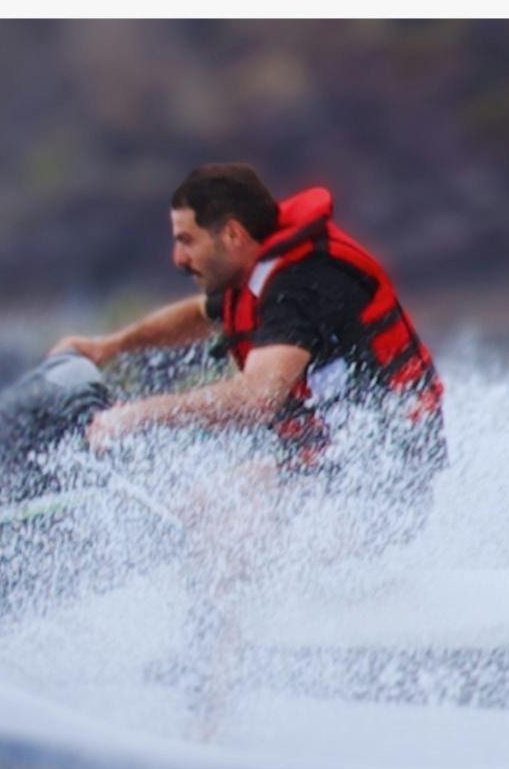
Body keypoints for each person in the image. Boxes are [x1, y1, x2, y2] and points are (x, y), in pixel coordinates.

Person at [49, 162, 447, 555]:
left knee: (235, 530)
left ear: (233, 234)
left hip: (388, 478)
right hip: (333, 464)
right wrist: (110, 346)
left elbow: (257, 399)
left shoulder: (302, 285)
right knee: (201, 506)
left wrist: (137, 414)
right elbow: (199, 315)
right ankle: (213, 620)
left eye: (187, 240)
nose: (177, 258)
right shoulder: (252, 275)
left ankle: (267, 618)